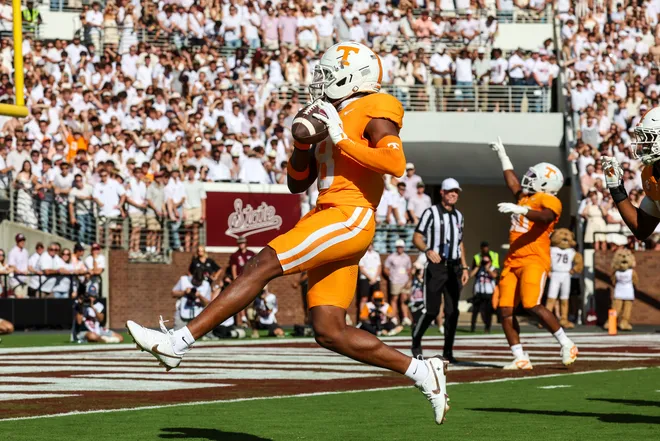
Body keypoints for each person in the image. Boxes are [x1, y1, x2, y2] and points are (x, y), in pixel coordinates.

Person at [127, 41, 450, 425]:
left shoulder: (374, 107)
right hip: (328, 210)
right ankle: (421, 371)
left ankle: (176, 343)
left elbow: (394, 162)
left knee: (261, 263)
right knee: (329, 330)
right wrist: (301, 143)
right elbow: (298, 183)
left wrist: (341, 137)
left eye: (329, 74)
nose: (321, 81)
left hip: (349, 214)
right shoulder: (335, 110)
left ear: (354, 77)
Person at [488, 137, 578, 369]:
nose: (530, 180)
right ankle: (520, 357)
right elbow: (514, 184)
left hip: (534, 260)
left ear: (548, 185)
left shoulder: (548, 200)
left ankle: (566, 343)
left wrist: (522, 210)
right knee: (505, 310)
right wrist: (503, 156)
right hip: (512, 261)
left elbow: (546, 217)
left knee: (531, 305)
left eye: (536, 178)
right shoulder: (527, 197)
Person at [412, 178, 469, 363]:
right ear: (442, 193)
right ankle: (416, 338)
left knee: (453, 312)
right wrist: (427, 250)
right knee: (432, 310)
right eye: (450, 191)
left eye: (456, 192)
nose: (454, 194)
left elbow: (460, 242)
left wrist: (465, 266)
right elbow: (417, 236)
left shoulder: (459, 216)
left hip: (454, 267)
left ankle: (448, 351)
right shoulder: (431, 212)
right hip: (436, 267)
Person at [383, 239, 413, 326]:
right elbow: (385, 268)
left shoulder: (407, 257)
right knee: (394, 299)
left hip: (404, 281)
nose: (400, 248)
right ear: (396, 248)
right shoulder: (391, 257)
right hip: (395, 281)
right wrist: (391, 277)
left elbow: (409, 269)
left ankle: (405, 318)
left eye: (401, 247)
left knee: (404, 299)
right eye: (398, 247)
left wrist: (408, 280)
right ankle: (394, 318)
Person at [469, 253, 497, 333]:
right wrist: (478, 266)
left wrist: (488, 269)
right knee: (475, 311)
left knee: (488, 312)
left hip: (488, 293)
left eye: (487, 262)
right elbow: (471, 275)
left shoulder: (492, 268)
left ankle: (487, 328)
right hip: (479, 292)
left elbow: (495, 276)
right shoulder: (479, 269)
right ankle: (472, 327)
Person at [356, 242, 381, 323]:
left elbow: (379, 267)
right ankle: (362, 317)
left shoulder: (376, 254)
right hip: (365, 279)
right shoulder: (363, 255)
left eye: (371, 245)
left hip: (375, 279)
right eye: (368, 245)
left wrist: (374, 278)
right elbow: (361, 268)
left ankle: (375, 317)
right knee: (364, 298)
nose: (370, 246)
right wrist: (370, 278)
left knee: (376, 298)